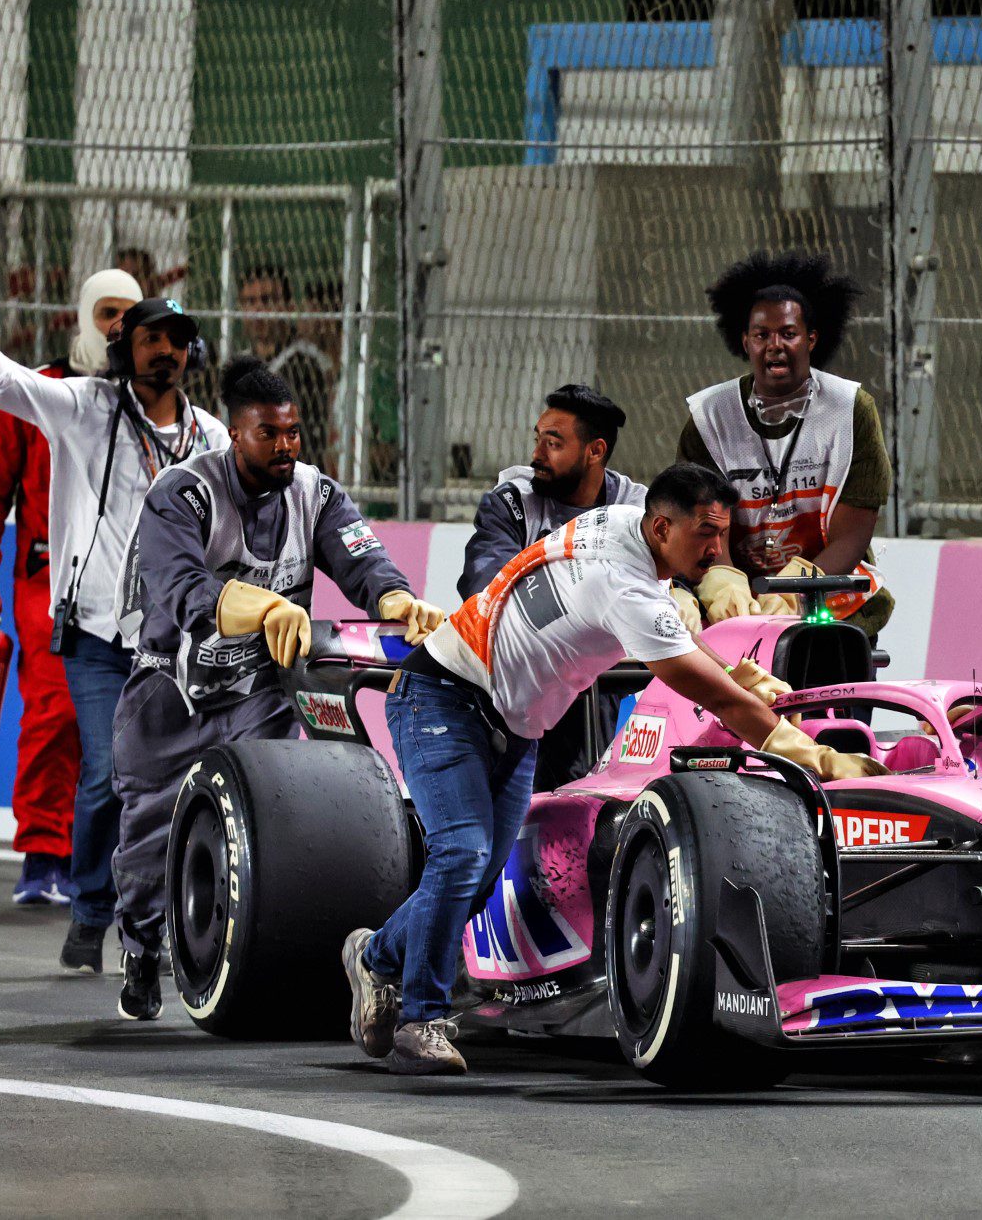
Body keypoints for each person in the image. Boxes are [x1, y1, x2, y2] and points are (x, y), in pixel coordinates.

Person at [341, 462, 887, 1075]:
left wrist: (745, 676)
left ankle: (376, 957)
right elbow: (713, 695)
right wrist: (815, 756)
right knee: (462, 853)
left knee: (477, 874)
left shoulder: (631, 530)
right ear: (661, 527)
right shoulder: (620, 583)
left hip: (516, 726)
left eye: (723, 532)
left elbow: (678, 633)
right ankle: (421, 1021)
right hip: (441, 694)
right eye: (705, 533)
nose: (718, 548)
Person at [0, 287, 228, 974]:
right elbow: (3, 378)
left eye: (176, 339)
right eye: (149, 338)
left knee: (172, 781)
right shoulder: (86, 407)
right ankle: (91, 908)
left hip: (173, 644)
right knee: (110, 773)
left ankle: (146, 924)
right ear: (123, 351)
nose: (164, 350)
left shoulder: (212, 438)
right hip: (95, 633)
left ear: (191, 351)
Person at [107, 357, 445, 1020]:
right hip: (170, 694)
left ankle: (264, 957)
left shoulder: (316, 493)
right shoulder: (181, 494)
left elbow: (364, 560)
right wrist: (263, 607)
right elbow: (179, 592)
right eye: (270, 434)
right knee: (150, 840)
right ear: (235, 434)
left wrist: (401, 600)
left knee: (274, 830)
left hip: (260, 695)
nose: (287, 445)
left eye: (293, 431)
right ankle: (143, 948)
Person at [0, 268, 140, 905]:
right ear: (85, 313)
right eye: (107, 311)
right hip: (49, 580)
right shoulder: (43, 392)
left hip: (130, 587)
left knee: (127, 733)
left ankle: (106, 864)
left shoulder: (150, 400)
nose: (118, 323)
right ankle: (42, 855)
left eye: (128, 312)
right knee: (55, 711)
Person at [678, 250, 893, 637]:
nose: (774, 344)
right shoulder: (709, 417)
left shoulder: (850, 410)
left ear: (811, 339)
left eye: (788, 333)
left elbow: (853, 534)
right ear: (745, 341)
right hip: (739, 596)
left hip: (827, 591)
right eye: (762, 335)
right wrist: (726, 581)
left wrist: (799, 585)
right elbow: (701, 521)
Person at [459, 384, 648, 791]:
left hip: (611, 677)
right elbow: (486, 588)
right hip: (525, 674)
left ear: (594, 451)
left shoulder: (638, 510)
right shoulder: (512, 501)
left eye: (553, 443)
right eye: (538, 439)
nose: (536, 455)